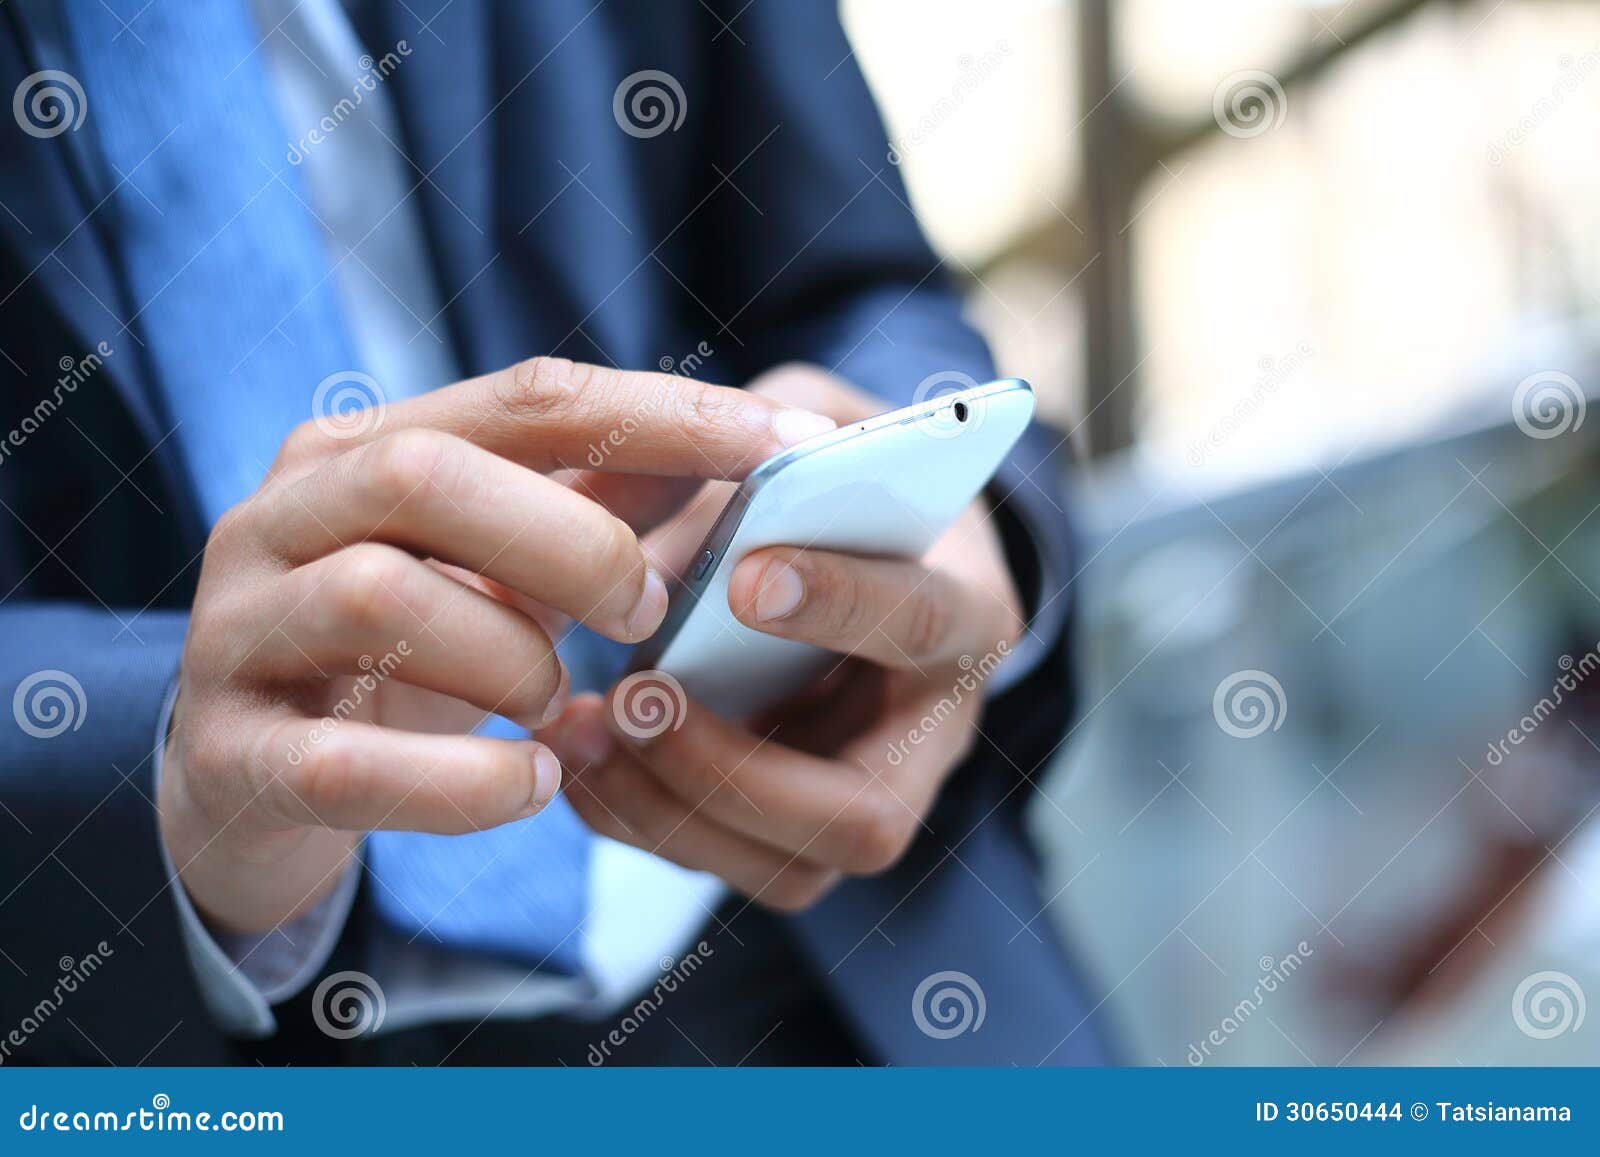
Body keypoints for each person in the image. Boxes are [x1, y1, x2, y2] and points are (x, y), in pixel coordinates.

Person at [0, 0, 1109, 1065]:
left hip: (848, 968)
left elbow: (862, 283)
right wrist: (147, 764)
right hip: (171, 1034)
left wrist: (959, 518)